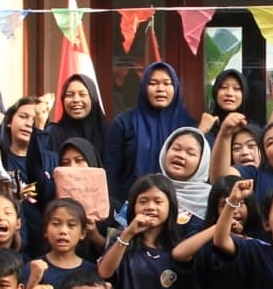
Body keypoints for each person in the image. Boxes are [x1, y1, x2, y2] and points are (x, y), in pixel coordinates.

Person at [105, 61, 197, 203]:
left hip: (179, 205)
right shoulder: (124, 123)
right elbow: (111, 171)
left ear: (176, 88)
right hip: (130, 204)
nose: (160, 89)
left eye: (167, 83)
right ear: (143, 87)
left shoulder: (187, 125)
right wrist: (116, 206)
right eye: (153, 83)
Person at [46, 73, 108, 170]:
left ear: (93, 98)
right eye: (69, 95)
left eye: (82, 94)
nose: (76, 100)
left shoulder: (108, 133)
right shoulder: (53, 133)